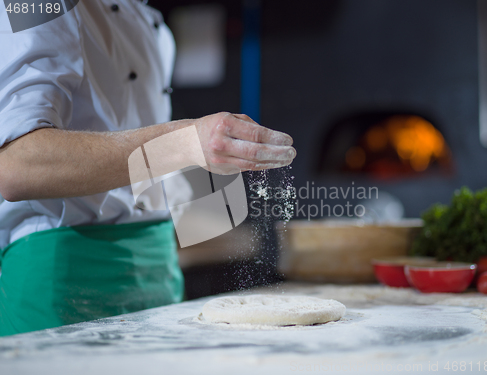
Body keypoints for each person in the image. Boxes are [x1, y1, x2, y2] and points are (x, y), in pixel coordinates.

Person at [0, 0, 295, 336]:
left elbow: (141, 163)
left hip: (157, 271)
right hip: (64, 278)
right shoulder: (36, 5)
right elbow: (17, 164)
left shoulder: (148, 19)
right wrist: (186, 142)